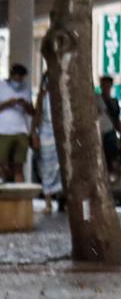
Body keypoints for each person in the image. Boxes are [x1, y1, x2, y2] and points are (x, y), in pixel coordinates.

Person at [32, 69, 60, 212]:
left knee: (60, 168)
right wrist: (34, 133)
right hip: (46, 134)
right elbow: (37, 114)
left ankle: (63, 201)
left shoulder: (61, 95)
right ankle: (48, 201)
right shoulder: (42, 96)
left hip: (59, 134)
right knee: (47, 167)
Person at [0, 64, 31, 184]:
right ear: (11, 76)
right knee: (3, 164)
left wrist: (25, 105)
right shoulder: (1, 86)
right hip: (3, 131)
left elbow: (32, 111)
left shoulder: (26, 88)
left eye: (21, 78)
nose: (18, 81)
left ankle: (20, 196)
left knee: (19, 166)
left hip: (21, 131)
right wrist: (7, 103)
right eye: (16, 78)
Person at [98, 74, 121, 170]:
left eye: (108, 85)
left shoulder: (114, 101)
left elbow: (117, 119)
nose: (106, 88)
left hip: (110, 132)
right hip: (99, 132)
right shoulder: (97, 99)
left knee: (111, 156)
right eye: (104, 85)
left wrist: (120, 134)